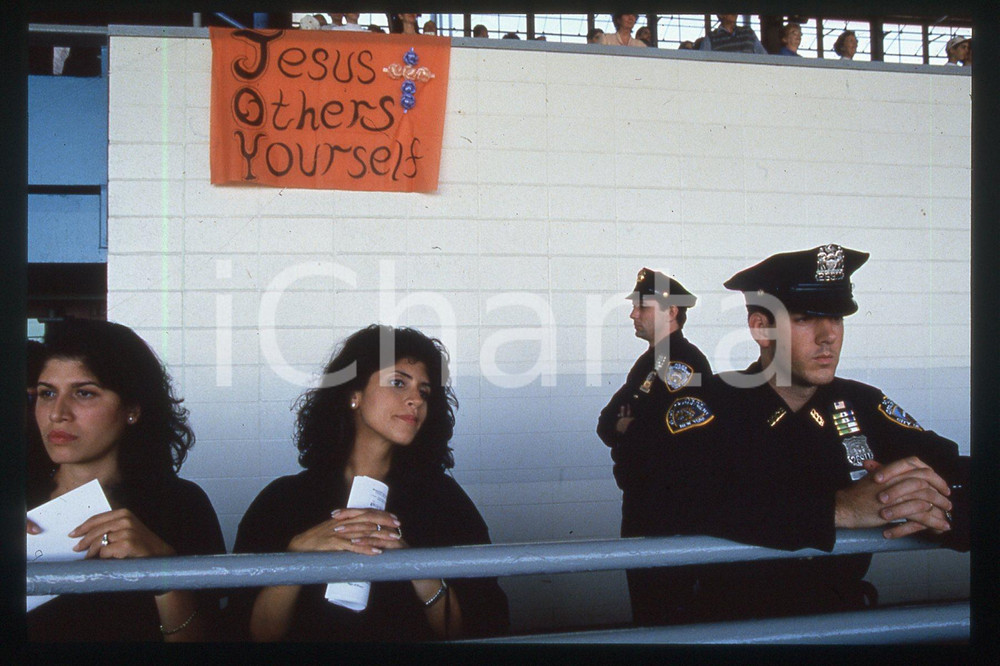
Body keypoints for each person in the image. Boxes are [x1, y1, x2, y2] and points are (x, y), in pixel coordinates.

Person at [640, 244, 969, 623]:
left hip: (846, 623)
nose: (828, 336)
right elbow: (680, 499)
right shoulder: (708, 404)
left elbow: (958, 473)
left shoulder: (862, 404)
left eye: (836, 318)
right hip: (734, 627)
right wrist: (840, 510)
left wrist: (938, 511)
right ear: (760, 328)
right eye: (805, 319)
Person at [232, 325, 509, 641]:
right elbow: (251, 636)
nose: (415, 400)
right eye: (398, 383)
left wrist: (417, 568)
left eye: (424, 391)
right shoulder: (283, 501)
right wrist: (295, 561)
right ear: (354, 394)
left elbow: (481, 628)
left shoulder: (443, 501)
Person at [26, 319, 225, 641]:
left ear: (132, 408)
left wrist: (164, 573)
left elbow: (205, 643)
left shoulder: (181, 505)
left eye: (84, 393)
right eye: (47, 393)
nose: (57, 413)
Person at [596, 268, 712, 626]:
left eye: (642, 306)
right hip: (643, 509)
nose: (633, 314)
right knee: (646, 612)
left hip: (672, 515)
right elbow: (606, 423)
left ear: (672, 311)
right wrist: (626, 428)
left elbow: (676, 446)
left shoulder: (684, 364)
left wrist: (629, 429)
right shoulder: (651, 362)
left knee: (668, 617)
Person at [699, 13, 767, 54]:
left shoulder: (749, 33)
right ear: (721, 15)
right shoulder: (711, 38)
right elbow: (703, 62)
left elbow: (764, 58)